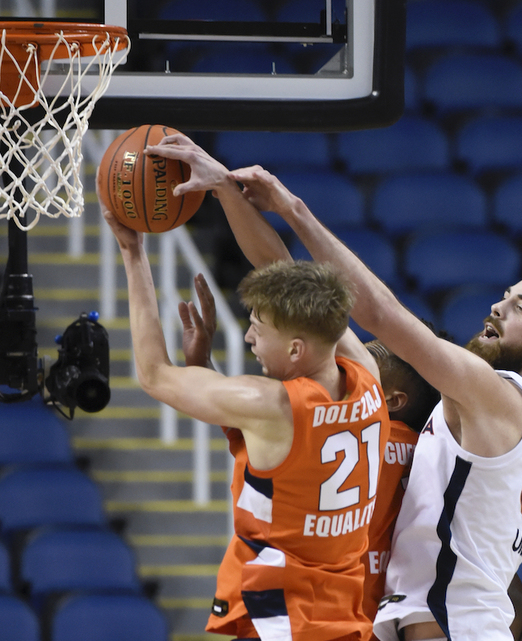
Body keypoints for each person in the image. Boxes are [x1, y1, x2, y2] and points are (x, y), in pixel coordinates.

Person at [152, 135, 522, 641]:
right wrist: (226, 193)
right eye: (505, 295)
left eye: (521, 308)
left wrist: (292, 206)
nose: (498, 307)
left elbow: (376, 312)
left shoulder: (489, 392)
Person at [98, 182, 390, 640]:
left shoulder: (270, 404)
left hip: (283, 614)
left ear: (296, 349)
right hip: (341, 612)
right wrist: (202, 364)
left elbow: (153, 374)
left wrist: (132, 253)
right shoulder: (368, 375)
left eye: (256, 328)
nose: (249, 338)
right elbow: (287, 274)